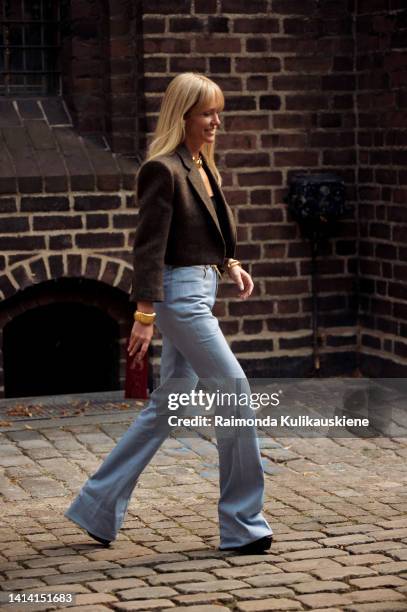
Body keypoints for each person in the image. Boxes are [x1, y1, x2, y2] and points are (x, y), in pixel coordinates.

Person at [64, 73, 273, 554]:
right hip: (179, 298)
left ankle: (96, 505)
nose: (216, 121)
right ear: (183, 116)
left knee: (170, 405)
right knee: (234, 389)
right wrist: (143, 313)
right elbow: (149, 245)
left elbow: (206, 232)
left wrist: (232, 264)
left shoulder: (202, 165)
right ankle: (242, 523)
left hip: (201, 289)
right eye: (207, 113)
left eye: (218, 112)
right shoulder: (163, 168)